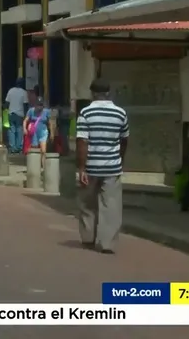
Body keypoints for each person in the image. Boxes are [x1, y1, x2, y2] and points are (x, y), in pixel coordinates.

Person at [76, 79, 129, 254]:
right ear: (108, 93)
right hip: (112, 167)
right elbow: (124, 140)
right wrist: (119, 159)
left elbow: (82, 141)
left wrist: (81, 168)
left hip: (91, 166)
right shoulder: (120, 113)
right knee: (111, 206)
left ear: (92, 93)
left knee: (87, 203)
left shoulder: (86, 113)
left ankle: (88, 237)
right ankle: (107, 244)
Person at [23, 96, 53, 168]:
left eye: (41, 105)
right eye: (38, 105)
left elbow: (50, 123)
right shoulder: (31, 111)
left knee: (43, 151)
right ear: (35, 105)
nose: (39, 107)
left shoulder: (46, 111)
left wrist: (52, 133)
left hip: (43, 132)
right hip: (34, 133)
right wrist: (24, 129)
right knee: (35, 149)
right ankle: (36, 165)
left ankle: (44, 166)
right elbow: (25, 120)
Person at [5, 78, 29, 153]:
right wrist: (26, 115)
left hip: (11, 114)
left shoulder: (11, 91)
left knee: (12, 130)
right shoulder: (24, 92)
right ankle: (19, 148)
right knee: (19, 130)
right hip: (20, 114)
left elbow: (7, 103)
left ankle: (12, 147)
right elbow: (25, 105)